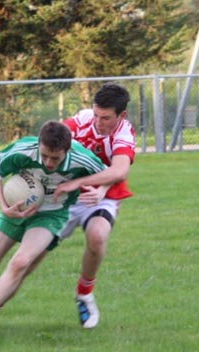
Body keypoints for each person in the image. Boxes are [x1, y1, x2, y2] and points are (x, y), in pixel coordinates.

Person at [0, 120, 106, 342]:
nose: (49, 163)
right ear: (39, 145)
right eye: (45, 156)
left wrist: (101, 192)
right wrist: (4, 206)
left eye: (55, 158)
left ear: (67, 151)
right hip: (14, 211)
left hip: (50, 216)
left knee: (20, 262)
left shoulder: (81, 157)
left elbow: (108, 173)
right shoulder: (24, 149)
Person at [53, 83, 136, 329]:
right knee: (31, 254)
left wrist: (93, 186)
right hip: (64, 196)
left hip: (103, 197)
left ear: (122, 115)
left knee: (97, 236)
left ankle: (84, 294)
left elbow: (120, 170)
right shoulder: (81, 121)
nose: (99, 122)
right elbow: (50, 138)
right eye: (97, 115)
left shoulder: (123, 132)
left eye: (106, 118)